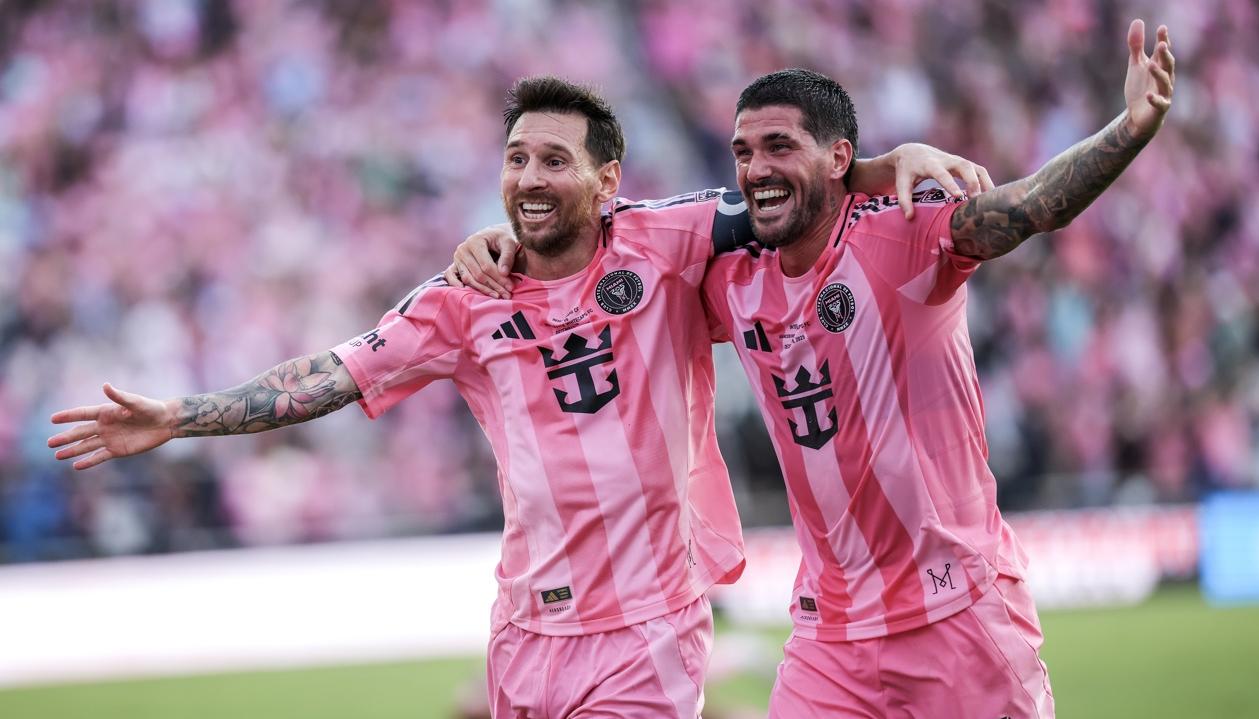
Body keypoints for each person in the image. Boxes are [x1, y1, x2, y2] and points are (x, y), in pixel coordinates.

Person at [46, 76, 989, 718]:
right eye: (516, 159)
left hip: (647, 628)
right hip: (524, 629)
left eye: (552, 160)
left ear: (605, 180)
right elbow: (331, 375)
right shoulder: (463, 298)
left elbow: (790, 188)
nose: (528, 179)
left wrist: (880, 163)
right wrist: (180, 415)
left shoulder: (669, 240)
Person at [449, 19, 1175, 718]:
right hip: (828, 635)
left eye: (779, 146)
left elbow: (1032, 206)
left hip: (956, 609)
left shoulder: (901, 234)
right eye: (742, 151)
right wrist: (513, 238)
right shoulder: (728, 278)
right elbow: (607, 244)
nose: (756, 168)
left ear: (837, 158)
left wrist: (1130, 129)